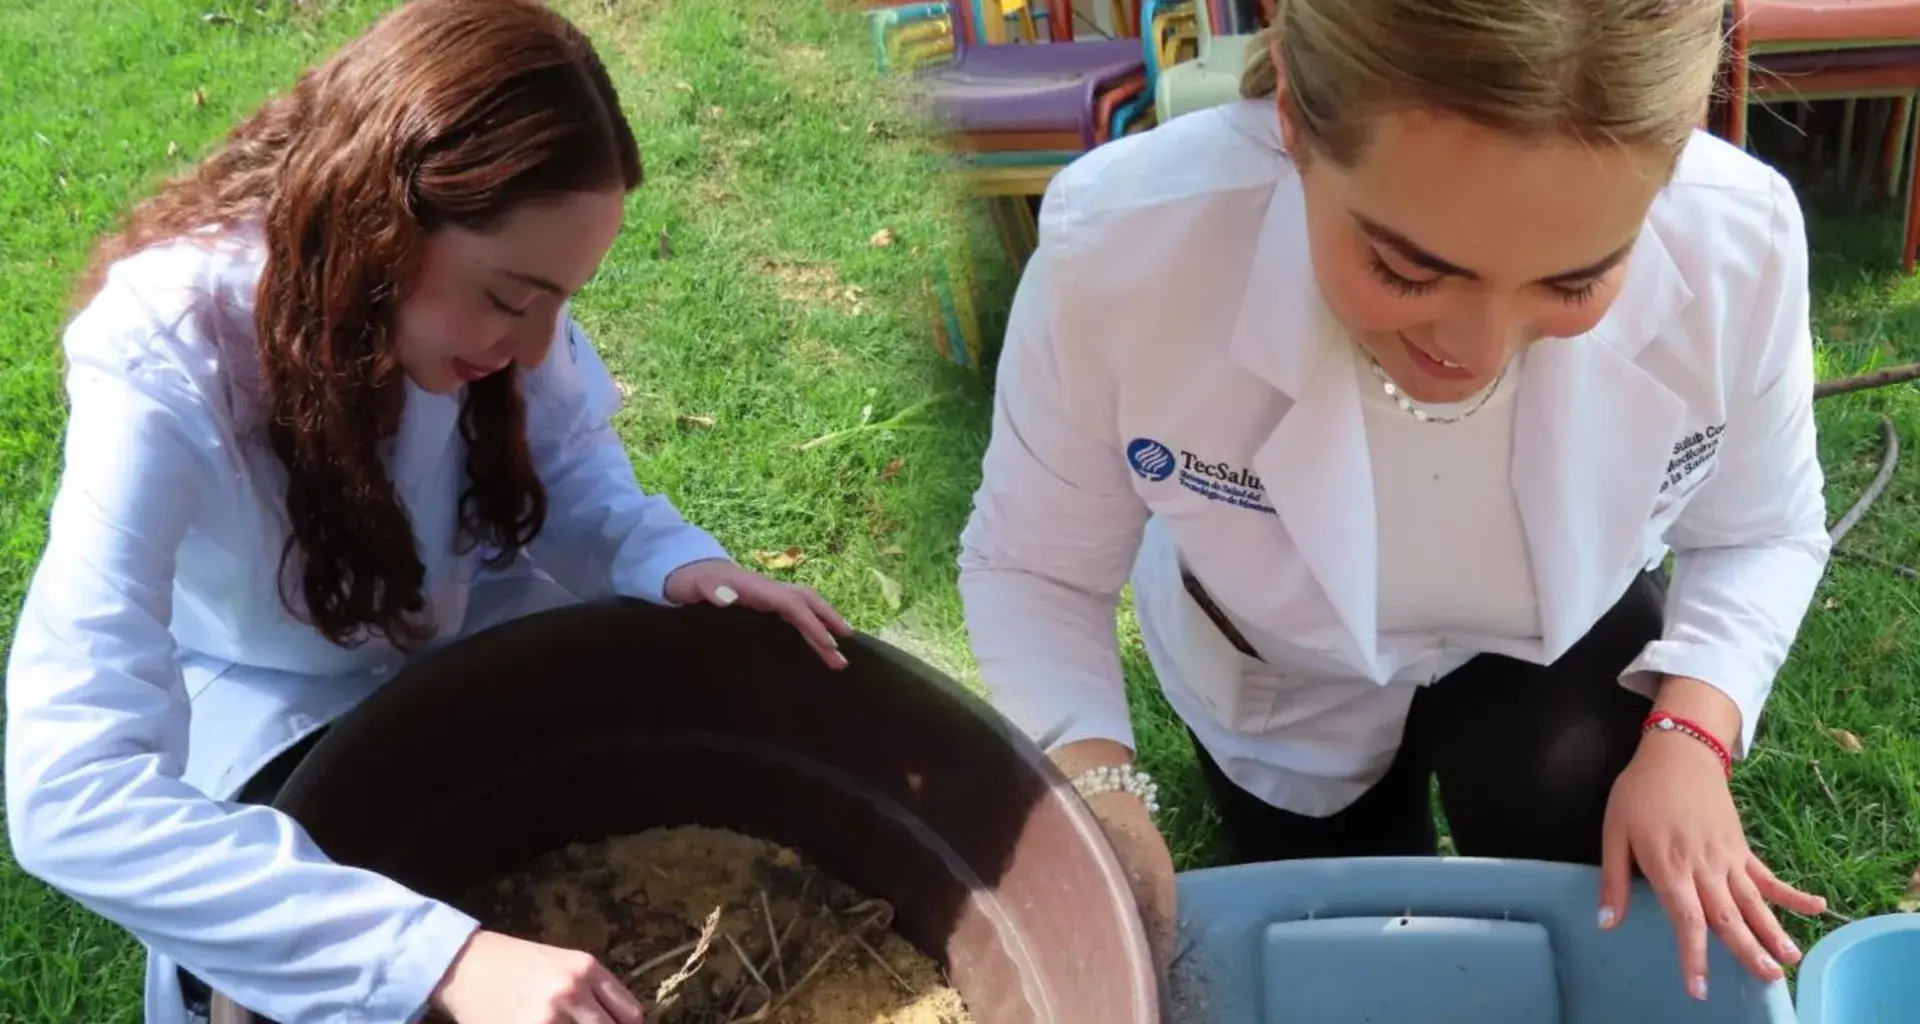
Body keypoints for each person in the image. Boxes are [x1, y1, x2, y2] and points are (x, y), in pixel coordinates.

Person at [958, 0, 1833, 1005]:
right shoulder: (1119, 247)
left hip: (1561, 641)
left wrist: (1693, 734)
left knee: (1573, 827)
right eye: (1407, 267)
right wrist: (1095, 781)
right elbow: (1035, 563)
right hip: (1274, 670)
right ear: (1292, 112)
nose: (1478, 350)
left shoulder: (1741, 242)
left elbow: (1762, 527)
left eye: (1575, 280)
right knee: (1326, 913)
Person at [3, 2, 854, 1022]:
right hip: (274, 699)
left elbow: (569, 461)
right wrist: (439, 959)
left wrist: (659, 554)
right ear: (379, 224)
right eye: (509, 299)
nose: (537, 345)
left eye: (559, 302)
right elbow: (72, 791)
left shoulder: (481, 315)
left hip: (476, 630)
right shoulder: (166, 356)